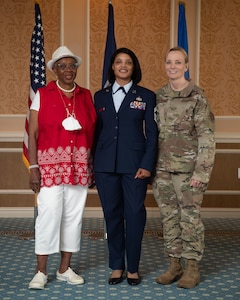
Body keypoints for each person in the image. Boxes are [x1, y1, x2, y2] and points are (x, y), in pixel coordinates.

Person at [28, 46, 96, 289]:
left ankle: (65, 268)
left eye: (72, 65)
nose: (68, 70)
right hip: (49, 168)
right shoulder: (43, 94)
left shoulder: (87, 96)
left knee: (73, 218)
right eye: (63, 65)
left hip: (79, 167)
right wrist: (33, 167)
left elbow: (95, 132)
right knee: (48, 217)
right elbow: (32, 133)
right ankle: (41, 272)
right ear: (54, 69)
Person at [93, 47, 158, 286]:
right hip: (105, 167)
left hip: (135, 168)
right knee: (112, 216)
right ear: (112, 66)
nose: (123, 66)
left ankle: (133, 268)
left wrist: (147, 165)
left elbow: (152, 135)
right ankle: (117, 265)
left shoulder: (146, 96)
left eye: (128, 62)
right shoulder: (99, 96)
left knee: (134, 215)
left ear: (134, 67)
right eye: (118, 62)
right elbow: (95, 133)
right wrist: (92, 165)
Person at [153, 46, 215, 289]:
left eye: (178, 62)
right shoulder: (159, 96)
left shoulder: (197, 96)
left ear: (186, 66)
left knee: (189, 219)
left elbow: (207, 137)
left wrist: (202, 172)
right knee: (169, 219)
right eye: (169, 62)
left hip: (190, 172)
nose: (172, 66)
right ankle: (174, 265)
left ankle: (192, 268)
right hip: (163, 170)